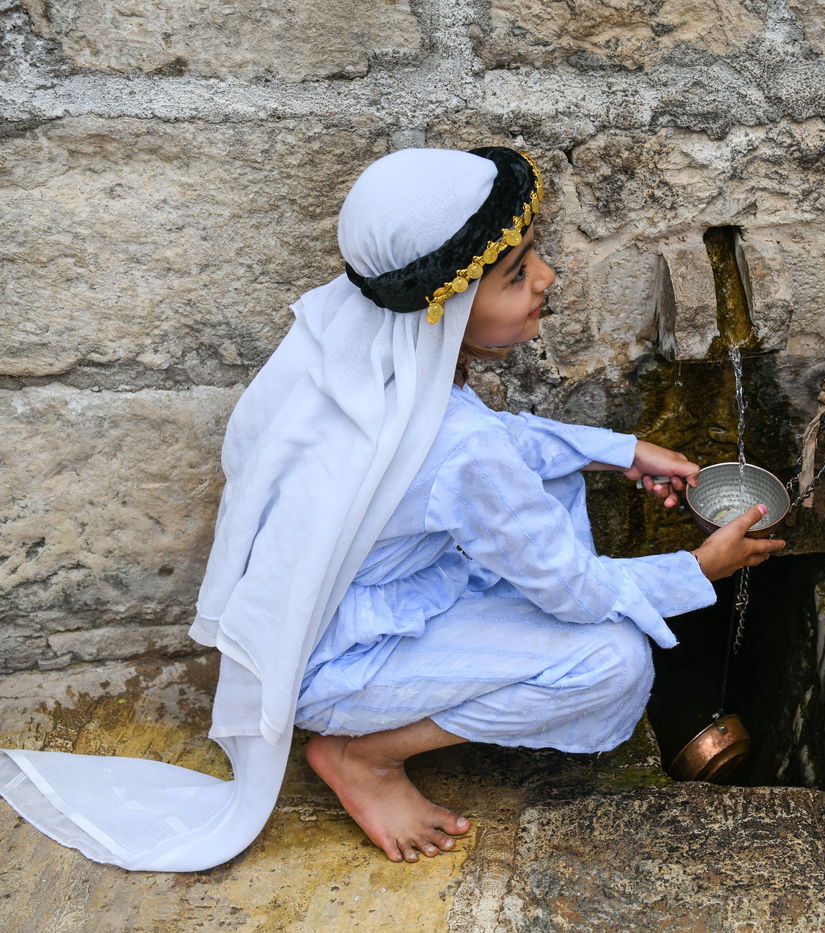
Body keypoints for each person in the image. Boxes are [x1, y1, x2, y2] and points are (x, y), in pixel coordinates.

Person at [0, 146, 783, 871]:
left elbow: (484, 447)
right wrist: (697, 569)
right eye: (515, 273)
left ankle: (370, 731)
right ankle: (364, 756)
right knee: (614, 662)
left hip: (302, 620)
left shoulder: (352, 338)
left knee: (548, 482)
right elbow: (567, 581)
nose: (544, 277)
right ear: (444, 305)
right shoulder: (462, 447)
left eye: (531, 254)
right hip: (336, 660)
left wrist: (617, 448)